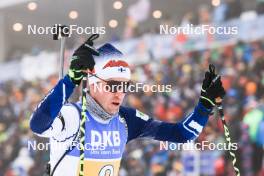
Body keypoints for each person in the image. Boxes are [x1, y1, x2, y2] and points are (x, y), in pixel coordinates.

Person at [29, 37, 226, 176]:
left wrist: (204, 106)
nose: (120, 93)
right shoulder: (72, 115)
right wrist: (71, 80)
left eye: (124, 86)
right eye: (113, 85)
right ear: (94, 84)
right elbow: (38, 125)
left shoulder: (126, 120)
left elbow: (182, 135)